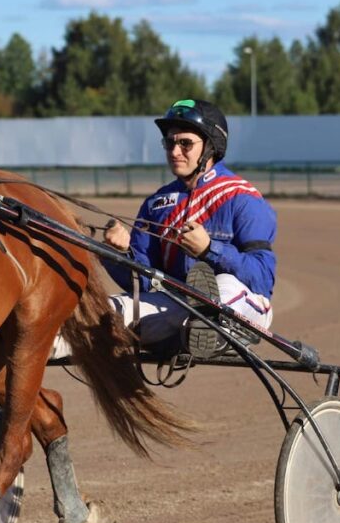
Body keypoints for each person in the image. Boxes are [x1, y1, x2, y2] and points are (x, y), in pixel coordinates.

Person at [100, 99, 277, 357]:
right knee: (100, 312)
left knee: (224, 285)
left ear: (211, 146)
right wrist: (117, 255)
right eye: (169, 143)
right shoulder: (156, 204)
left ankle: (204, 325)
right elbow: (146, 285)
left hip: (244, 308)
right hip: (177, 306)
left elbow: (262, 278)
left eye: (185, 143)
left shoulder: (242, 198)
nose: (174, 151)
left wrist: (209, 250)